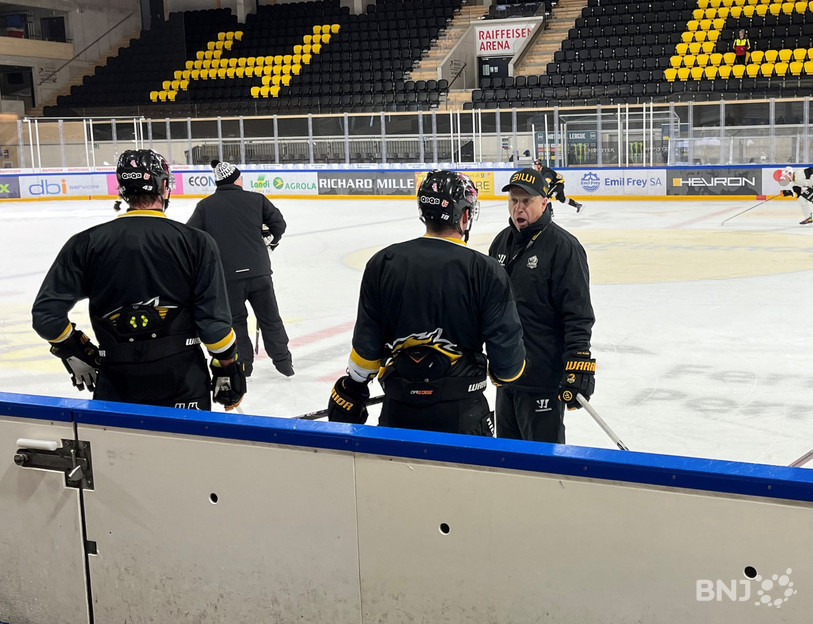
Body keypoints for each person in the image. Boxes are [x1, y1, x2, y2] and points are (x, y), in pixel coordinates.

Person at [32, 149, 245, 411]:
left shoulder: (85, 243)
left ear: (122, 189)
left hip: (116, 379)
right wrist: (228, 365)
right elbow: (214, 324)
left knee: (116, 452)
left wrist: (73, 349)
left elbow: (46, 316)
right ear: (164, 185)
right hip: (182, 377)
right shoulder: (196, 242)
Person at [327, 169, 527, 435]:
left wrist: (353, 386)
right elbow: (507, 367)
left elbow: (366, 347)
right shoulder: (486, 270)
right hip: (462, 415)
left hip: (398, 410)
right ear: (464, 215)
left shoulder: (383, 263)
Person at [489, 167, 595, 443]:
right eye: (513, 200)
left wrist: (578, 360)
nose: (518, 207)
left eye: (526, 201)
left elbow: (578, 312)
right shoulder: (501, 242)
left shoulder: (563, 247)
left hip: (542, 378)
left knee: (543, 466)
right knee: (507, 461)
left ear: (544, 202)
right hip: (507, 377)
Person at [187, 160, 293, 378]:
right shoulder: (256, 199)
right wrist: (270, 241)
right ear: (235, 179)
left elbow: (191, 237)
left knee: (236, 321)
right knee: (270, 318)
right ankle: (284, 363)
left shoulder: (205, 206)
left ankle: (244, 366)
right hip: (259, 272)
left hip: (227, 277)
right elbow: (279, 224)